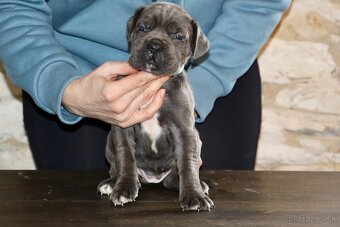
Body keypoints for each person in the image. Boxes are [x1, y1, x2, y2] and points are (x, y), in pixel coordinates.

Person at [0, 0, 291, 170]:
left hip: (208, 74)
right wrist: (61, 84)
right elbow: (13, 4)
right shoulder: (72, 86)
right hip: (78, 84)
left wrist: (209, 78)